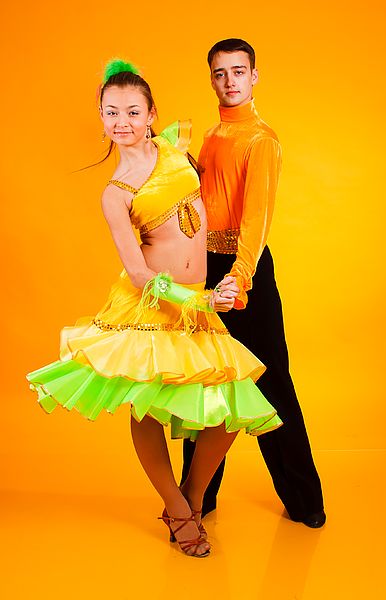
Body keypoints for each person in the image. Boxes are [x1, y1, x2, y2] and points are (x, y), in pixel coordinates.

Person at [26, 58, 282, 558]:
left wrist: (237, 268)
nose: (121, 122)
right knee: (146, 408)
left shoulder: (175, 147)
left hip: (200, 302)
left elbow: (221, 185)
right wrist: (198, 297)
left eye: (132, 111)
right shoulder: (114, 194)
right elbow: (141, 273)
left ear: (150, 115)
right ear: (100, 119)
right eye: (111, 112)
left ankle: (189, 499)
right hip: (154, 304)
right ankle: (177, 508)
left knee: (226, 413)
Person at [181, 39, 326, 528]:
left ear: (254, 76)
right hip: (204, 266)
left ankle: (305, 501)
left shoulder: (262, 139)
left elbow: (255, 221)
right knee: (201, 381)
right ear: (212, 79)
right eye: (220, 73)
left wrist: (238, 280)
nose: (230, 81)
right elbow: (203, 202)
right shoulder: (211, 134)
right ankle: (194, 499)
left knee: (270, 384)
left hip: (245, 271)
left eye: (238, 71)